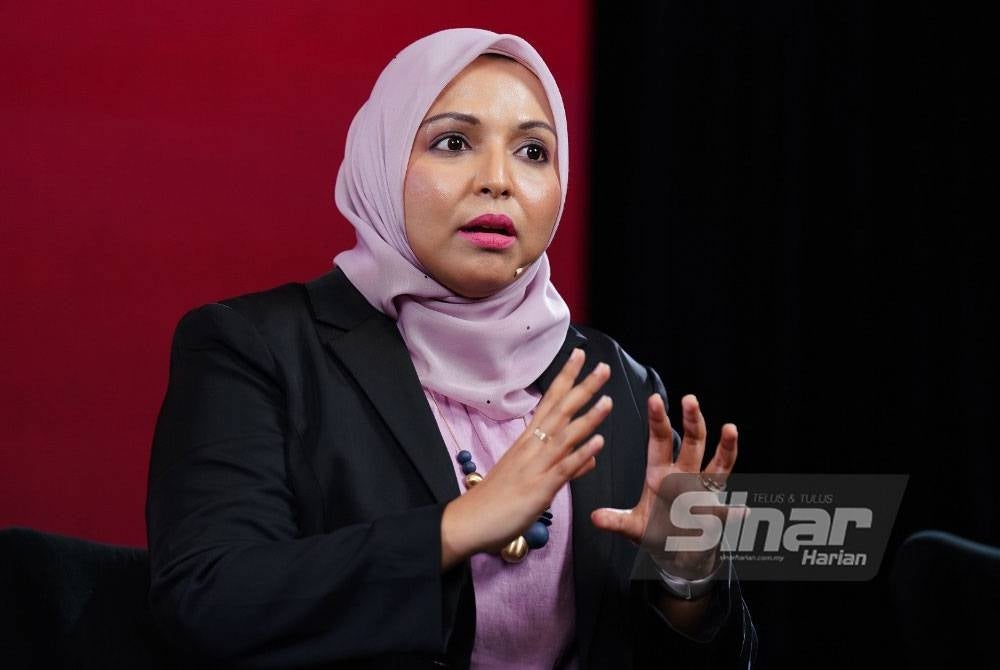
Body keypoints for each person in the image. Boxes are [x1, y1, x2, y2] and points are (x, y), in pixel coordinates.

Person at [146, 28, 756, 669]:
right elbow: (207, 600)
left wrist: (686, 580)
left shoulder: (617, 387)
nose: (498, 181)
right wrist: (457, 527)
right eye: (453, 143)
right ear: (382, 164)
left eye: (532, 152)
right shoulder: (258, 351)